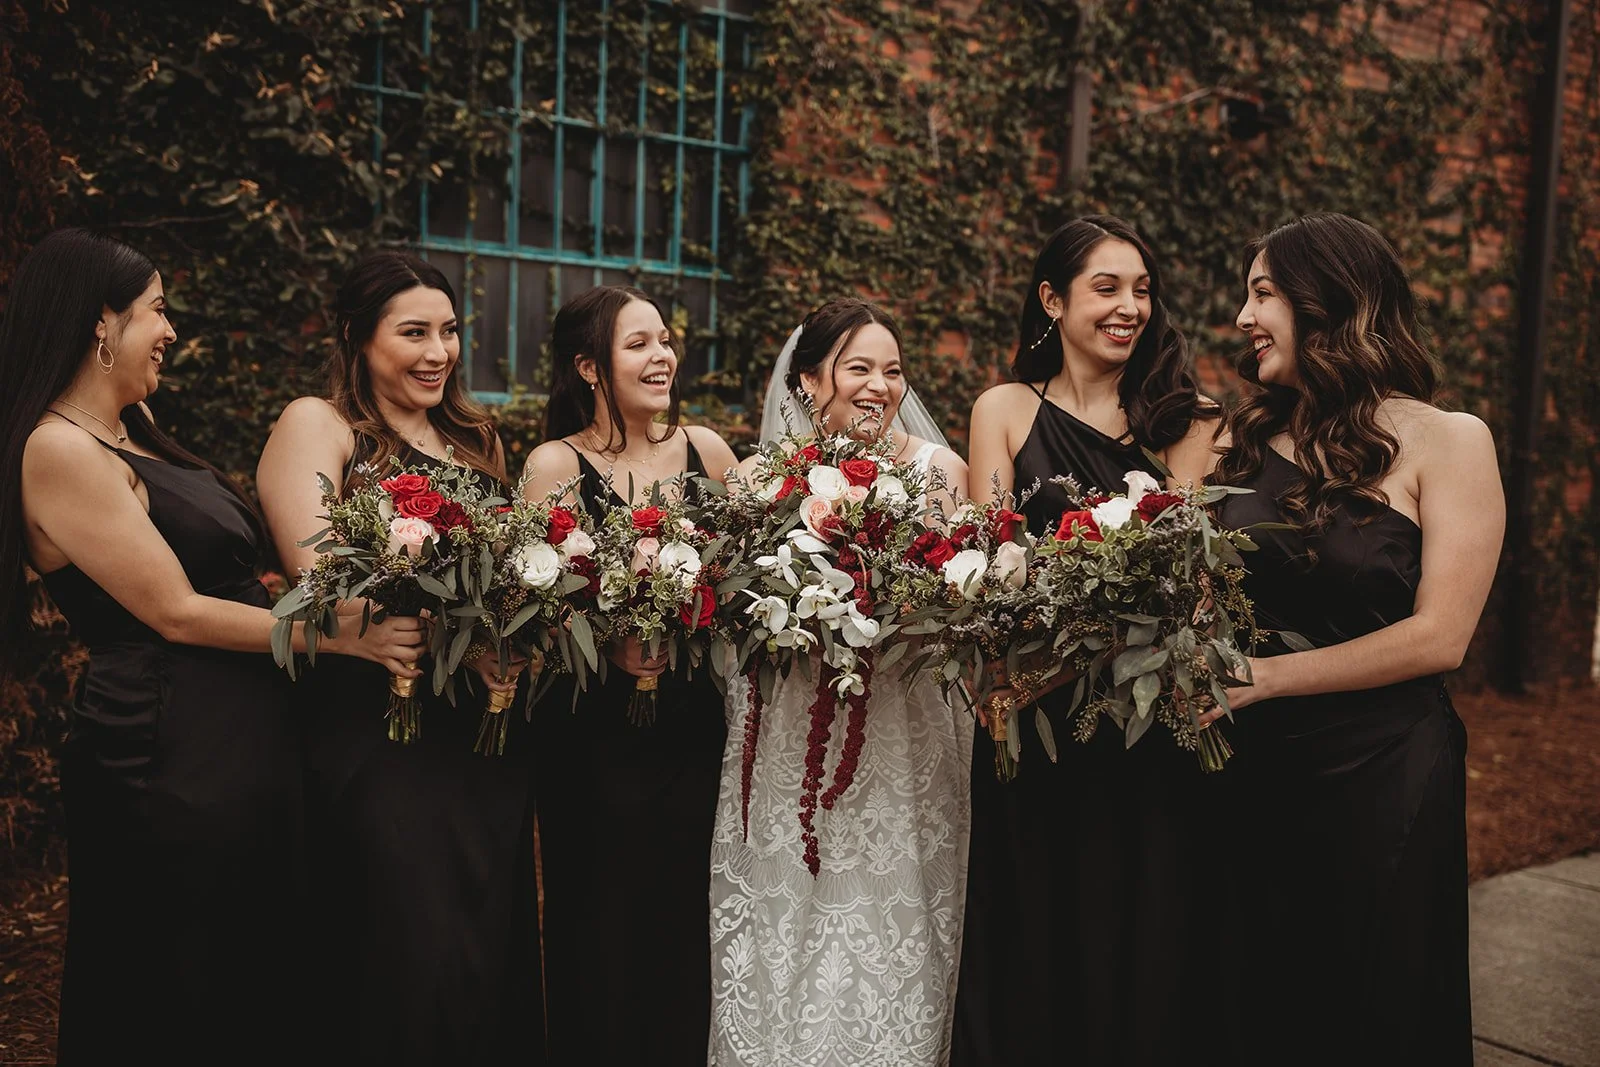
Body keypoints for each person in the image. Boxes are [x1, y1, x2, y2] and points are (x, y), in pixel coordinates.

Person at [0, 228, 423, 1065]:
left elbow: (226, 572)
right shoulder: (58, 449)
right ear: (99, 324)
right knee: (177, 974)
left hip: (242, 732)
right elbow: (177, 612)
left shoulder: (137, 425)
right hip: (166, 745)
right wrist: (341, 635)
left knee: (250, 968)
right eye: (157, 311)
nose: (170, 330)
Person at [1211, 212, 1497, 1065]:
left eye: (1262, 294)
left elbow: (1441, 636)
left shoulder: (1450, 439)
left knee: (1374, 1006)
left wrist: (1264, 676)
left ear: (1326, 300)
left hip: (1383, 772)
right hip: (1253, 770)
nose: (1241, 318)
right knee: (1257, 1002)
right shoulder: (1246, 441)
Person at [255, 251, 544, 1065]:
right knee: (402, 949)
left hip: (480, 741)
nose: (438, 352)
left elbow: (505, 577)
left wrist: (505, 643)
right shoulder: (320, 423)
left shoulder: (473, 436)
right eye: (413, 332)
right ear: (356, 336)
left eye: (449, 331)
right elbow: (316, 581)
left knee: (480, 951)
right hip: (381, 730)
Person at [952, 215, 1226, 1067]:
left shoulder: (1186, 418)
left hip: (1141, 727)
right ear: (1052, 300)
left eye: (1142, 289)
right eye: (1107, 287)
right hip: (1030, 720)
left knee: (1132, 936)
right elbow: (986, 565)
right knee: (1031, 934)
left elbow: (1194, 586)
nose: (1130, 306)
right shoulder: (1002, 409)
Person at [707, 297, 972, 1067]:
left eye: (893, 370)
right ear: (808, 381)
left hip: (902, 731)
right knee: (784, 918)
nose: (880, 385)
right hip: (790, 727)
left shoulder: (938, 472)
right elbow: (731, 610)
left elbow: (965, 604)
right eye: (859, 367)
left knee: (895, 922)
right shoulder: (757, 478)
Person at [519, 284, 738, 1065]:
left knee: (687, 917)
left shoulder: (708, 452)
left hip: (693, 725)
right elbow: (531, 600)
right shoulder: (555, 463)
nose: (663, 356)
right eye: (639, 344)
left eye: (666, 341)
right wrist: (601, 637)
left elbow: (755, 578)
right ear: (588, 366)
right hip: (593, 733)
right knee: (600, 919)